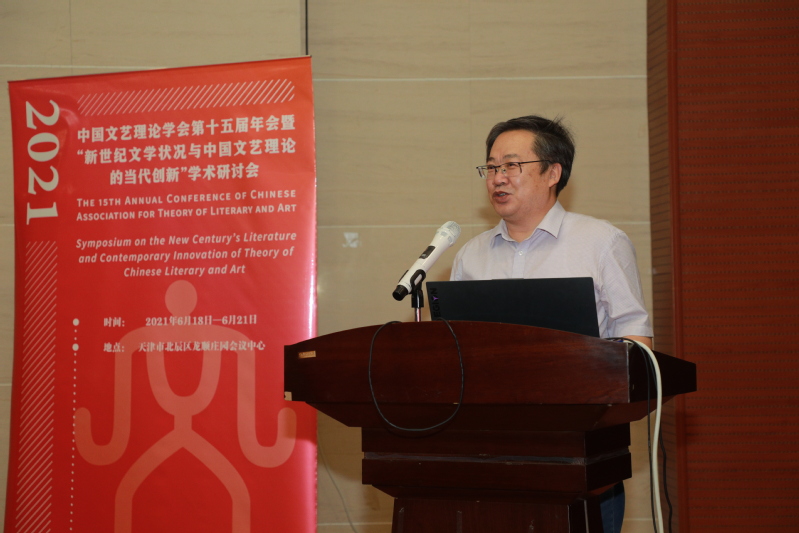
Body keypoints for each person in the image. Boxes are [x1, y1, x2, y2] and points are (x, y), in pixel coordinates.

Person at [450, 115, 654, 533]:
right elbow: (456, 352)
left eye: (511, 165)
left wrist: (602, 419)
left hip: (582, 456)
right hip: (492, 457)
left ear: (552, 173)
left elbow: (636, 342)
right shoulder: (471, 256)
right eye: (491, 167)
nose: (497, 178)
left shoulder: (601, 242)